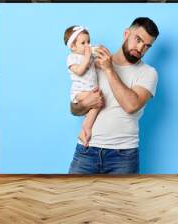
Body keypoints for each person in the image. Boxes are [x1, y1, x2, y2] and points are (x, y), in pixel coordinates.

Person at [68, 17, 160, 174]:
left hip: (123, 156)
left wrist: (109, 69)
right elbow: (74, 110)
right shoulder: (92, 63)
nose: (140, 49)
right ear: (126, 33)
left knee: (121, 200)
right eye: (138, 40)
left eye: (146, 46)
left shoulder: (148, 73)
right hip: (86, 149)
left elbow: (131, 106)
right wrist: (84, 104)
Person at [64, 25, 101, 146]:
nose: (87, 46)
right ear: (73, 46)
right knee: (98, 101)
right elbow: (80, 71)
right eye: (83, 43)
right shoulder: (71, 58)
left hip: (91, 90)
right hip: (79, 92)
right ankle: (86, 128)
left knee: (97, 103)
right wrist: (87, 56)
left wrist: (98, 54)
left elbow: (97, 66)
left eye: (88, 42)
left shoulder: (89, 57)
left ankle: (85, 130)